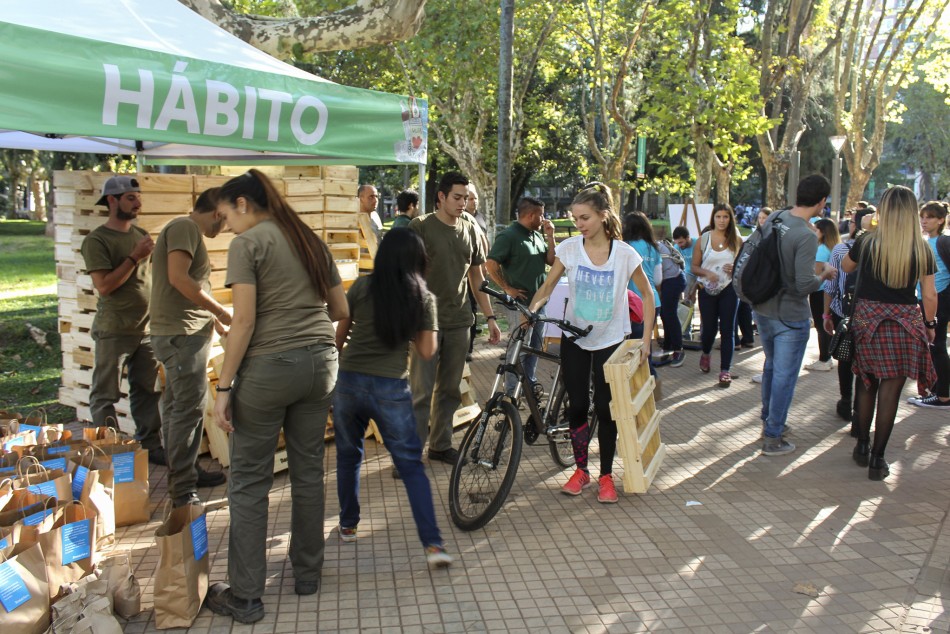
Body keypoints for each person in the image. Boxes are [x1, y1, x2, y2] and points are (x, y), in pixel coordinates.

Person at [208, 170, 348, 623]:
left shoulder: (248, 245)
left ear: (244, 204)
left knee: (249, 481)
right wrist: (321, 354)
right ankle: (308, 573)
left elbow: (243, 322)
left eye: (226, 214)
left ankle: (246, 596)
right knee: (309, 472)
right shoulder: (309, 239)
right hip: (321, 365)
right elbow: (341, 311)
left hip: (269, 370)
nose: (226, 225)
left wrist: (224, 388)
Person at [529, 182, 655, 504]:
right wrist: (531, 310)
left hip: (611, 340)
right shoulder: (570, 249)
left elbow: (648, 295)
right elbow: (548, 285)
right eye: (575, 218)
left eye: (584, 217)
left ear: (602, 216)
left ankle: (606, 476)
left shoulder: (624, 254)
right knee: (578, 405)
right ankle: (581, 470)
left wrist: (646, 341)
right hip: (575, 337)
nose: (578, 224)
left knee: (605, 407)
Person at [333, 228, 452, 569]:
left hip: (349, 382)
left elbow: (340, 336)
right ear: (418, 260)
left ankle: (348, 525)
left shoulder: (361, 287)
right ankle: (433, 545)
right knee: (411, 467)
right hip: (390, 389)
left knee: (348, 456)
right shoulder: (422, 297)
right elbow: (428, 352)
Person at [841, 186, 936, 480]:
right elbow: (930, 295)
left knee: (866, 382)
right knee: (891, 393)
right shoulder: (921, 248)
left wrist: (861, 231)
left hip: (868, 320)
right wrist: (930, 325)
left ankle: (862, 444)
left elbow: (846, 266)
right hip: (904, 323)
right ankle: (878, 460)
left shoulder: (867, 241)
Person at [409, 172, 501, 465]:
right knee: (420, 392)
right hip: (425, 323)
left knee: (450, 389)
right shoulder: (420, 227)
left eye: (465, 198)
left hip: (460, 320)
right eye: (457, 197)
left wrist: (489, 316)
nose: (463, 203)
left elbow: (476, 275)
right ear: (441, 197)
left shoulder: (470, 229)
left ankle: (440, 445)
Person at [149, 188, 229, 507]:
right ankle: (183, 490)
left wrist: (215, 322)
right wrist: (222, 312)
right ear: (217, 213)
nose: (221, 230)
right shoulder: (185, 228)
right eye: (223, 222)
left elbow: (190, 286)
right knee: (187, 410)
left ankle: (186, 471)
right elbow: (180, 280)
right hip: (181, 336)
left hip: (183, 332)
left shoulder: (183, 229)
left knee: (176, 406)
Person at [80, 175, 165, 465]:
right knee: (106, 395)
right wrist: (134, 257)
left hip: (146, 329)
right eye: (130, 197)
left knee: (147, 392)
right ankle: (111, 453)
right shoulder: (97, 240)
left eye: (138, 196)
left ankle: (151, 447)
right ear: (112, 201)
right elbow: (104, 286)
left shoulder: (139, 233)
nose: (138, 202)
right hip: (114, 330)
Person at [754, 175, 837, 456]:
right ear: (822, 201)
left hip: (763, 307)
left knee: (771, 368)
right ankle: (773, 435)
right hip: (790, 315)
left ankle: (769, 422)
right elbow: (804, 285)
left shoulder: (775, 218)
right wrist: (824, 273)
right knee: (784, 376)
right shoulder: (805, 235)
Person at [485, 197, 556, 396]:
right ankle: (511, 392)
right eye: (541, 214)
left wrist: (550, 237)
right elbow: (490, 264)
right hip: (521, 305)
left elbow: (550, 260)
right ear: (531, 215)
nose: (544, 218)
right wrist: (507, 288)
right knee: (518, 347)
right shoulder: (508, 236)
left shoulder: (537, 235)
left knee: (535, 347)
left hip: (540, 302)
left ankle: (529, 386)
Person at [822, 207, 876, 427]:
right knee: (866, 361)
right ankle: (859, 410)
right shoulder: (883, 249)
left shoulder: (840, 249)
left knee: (845, 358)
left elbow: (830, 285)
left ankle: (846, 400)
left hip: (843, 312)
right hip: (871, 315)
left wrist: (826, 314)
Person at [691, 203, 741, 387]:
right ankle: (706, 352)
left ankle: (725, 370)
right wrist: (706, 273)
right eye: (718, 216)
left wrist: (736, 268)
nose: (722, 220)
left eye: (725, 217)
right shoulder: (703, 239)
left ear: (730, 219)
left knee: (728, 330)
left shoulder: (737, 239)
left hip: (729, 288)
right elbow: (694, 267)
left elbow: (744, 265)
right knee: (709, 329)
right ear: (713, 218)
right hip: (707, 290)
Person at [908, 200, 950, 409]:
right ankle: (936, 390)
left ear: (941, 220)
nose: (924, 221)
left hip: (939, 299)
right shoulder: (924, 241)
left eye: (930, 217)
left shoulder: (943, 242)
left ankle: (943, 395)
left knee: (937, 346)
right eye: (923, 216)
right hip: (924, 299)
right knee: (932, 347)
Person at [622, 212, 663, 371]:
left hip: (634, 304)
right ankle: (651, 382)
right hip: (653, 301)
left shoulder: (626, 247)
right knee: (646, 344)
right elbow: (659, 279)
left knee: (635, 347)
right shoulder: (654, 248)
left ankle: (649, 382)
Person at [805, 218, 841, 372]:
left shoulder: (821, 250)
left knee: (821, 326)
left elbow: (817, 274)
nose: (814, 232)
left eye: (816, 229)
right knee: (826, 324)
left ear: (823, 232)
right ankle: (828, 357)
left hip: (819, 292)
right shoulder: (834, 248)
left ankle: (824, 359)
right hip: (831, 291)